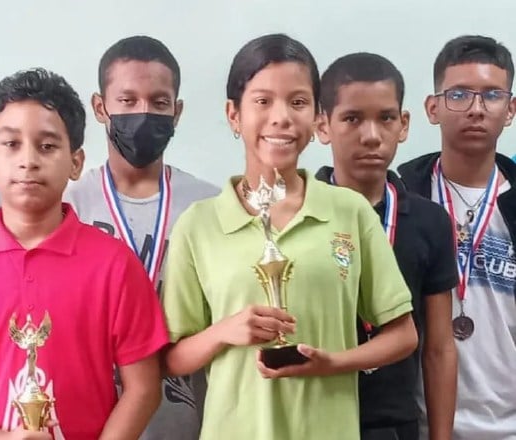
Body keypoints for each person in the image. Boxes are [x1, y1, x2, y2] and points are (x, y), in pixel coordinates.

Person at [161, 34, 419, 440]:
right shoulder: (199, 224)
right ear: (233, 114)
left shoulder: (349, 212)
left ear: (317, 117)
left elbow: (403, 335)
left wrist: (333, 362)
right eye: (263, 101)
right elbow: (172, 359)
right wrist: (224, 331)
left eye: (297, 102)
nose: (281, 118)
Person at [0, 68, 169, 440]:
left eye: (48, 145)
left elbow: (143, 388)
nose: (28, 160)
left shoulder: (115, 265)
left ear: (76, 162)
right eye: (11, 144)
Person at [63, 35, 218, 440]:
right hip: (91, 420)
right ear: (100, 107)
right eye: (127, 101)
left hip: (187, 421)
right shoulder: (68, 204)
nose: (144, 113)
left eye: (159, 102)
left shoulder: (209, 206)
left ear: (178, 111)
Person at [314, 52, 458, 440]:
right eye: (352, 118)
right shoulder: (296, 215)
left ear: (404, 124)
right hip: (311, 418)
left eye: (386, 118)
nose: (371, 135)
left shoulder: (430, 222)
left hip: (394, 426)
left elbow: (440, 348)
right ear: (322, 125)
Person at [398, 35, 516, 440]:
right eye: (459, 94)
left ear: (511, 109)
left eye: (492, 95)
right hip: (417, 425)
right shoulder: (401, 199)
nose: (476, 109)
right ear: (433, 108)